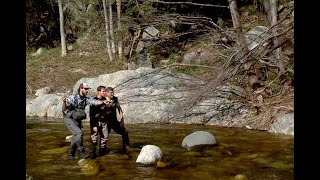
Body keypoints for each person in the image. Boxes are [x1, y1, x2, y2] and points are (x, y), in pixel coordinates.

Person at [62, 83, 108, 160]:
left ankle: (70, 154)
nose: (87, 90)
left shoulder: (86, 99)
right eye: (86, 89)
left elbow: (95, 102)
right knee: (79, 133)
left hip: (77, 119)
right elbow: (64, 108)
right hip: (69, 118)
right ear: (81, 89)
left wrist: (103, 102)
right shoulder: (73, 97)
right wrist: (64, 101)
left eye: (87, 89)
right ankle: (81, 153)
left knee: (76, 136)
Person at [104, 86, 130, 152]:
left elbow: (119, 109)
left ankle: (126, 147)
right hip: (106, 122)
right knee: (104, 137)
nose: (112, 94)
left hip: (114, 121)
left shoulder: (115, 99)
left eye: (113, 92)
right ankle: (102, 150)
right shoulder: (102, 99)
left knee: (125, 132)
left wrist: (122, 121)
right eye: (111, 93)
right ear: (106, 93)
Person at [88, 85, 109, 159]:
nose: (105, 92)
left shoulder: (106, 99)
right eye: (103, 91)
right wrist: (93, 125)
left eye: (105, 91)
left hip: (104, 121)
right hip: (96, 122)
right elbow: (91, 114)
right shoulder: (94, 100)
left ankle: (102, 151)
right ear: (99, 92)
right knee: (94, 138)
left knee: (105, 137)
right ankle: (92, 152)